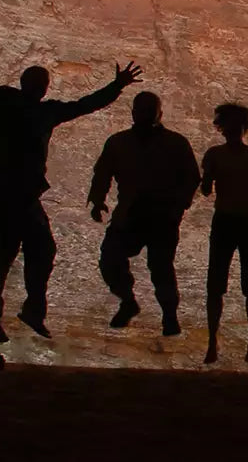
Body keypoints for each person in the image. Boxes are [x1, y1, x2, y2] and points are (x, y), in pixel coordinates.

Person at [0, 16, 142, 343]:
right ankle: (0, 314)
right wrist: (116, 86)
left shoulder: (13, 104)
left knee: (30, 250)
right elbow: (84, 105)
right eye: (40, 82)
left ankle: (22, 311)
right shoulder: (32, 109)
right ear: (36, 87)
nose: (42, 88)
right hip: (9, 194)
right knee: (15, 252)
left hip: (13, 193)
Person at [88, 92, 200, 336]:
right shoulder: (122, 143)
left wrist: (178, 207)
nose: (146, 115)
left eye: (149, 110)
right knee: (112, 259)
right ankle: (132, 302)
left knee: (160, 267)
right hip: (134, 214)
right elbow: (103, 173)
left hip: (160, 216)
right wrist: (97, 200)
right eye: (142, 110)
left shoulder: (174, 143)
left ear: (158, 113)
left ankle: (168, 315)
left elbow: (191, 178)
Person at [199, 103, 248, 363]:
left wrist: (209, 183)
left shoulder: (215, 155)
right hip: (247, 221)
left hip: (228, 220)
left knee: (218, 284)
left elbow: (206, 189)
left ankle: (213, 345)